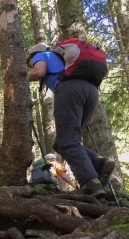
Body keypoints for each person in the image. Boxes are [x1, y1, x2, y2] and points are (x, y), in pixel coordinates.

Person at [27, 43, 115, 198]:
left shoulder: (41, 55)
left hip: (70, 90)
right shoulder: (64, 61)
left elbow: (39, 71)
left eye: (28, 63)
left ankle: (91, 183)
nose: (30, 65)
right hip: (91, 93)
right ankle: (98, 162)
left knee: (67, 142)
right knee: (61, 142)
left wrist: (21, 77)